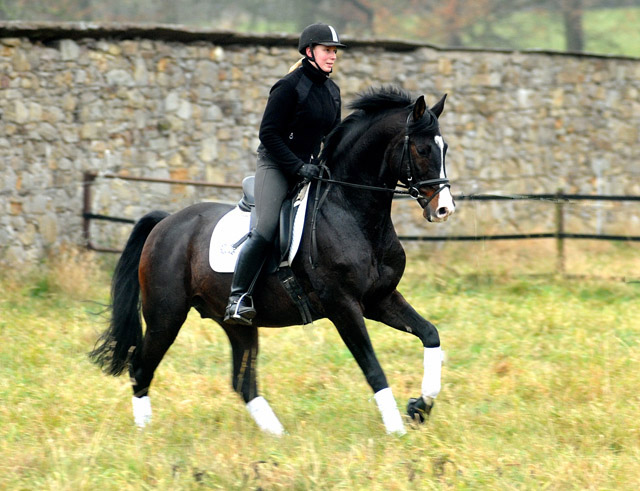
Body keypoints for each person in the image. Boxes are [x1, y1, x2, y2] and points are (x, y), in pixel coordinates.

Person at [224, 23, 346, 325]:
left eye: (334, 51)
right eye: (327, 50)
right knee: (265, 229)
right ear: (309, 51)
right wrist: (296, 166)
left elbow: (333, 137)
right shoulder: (289, 86)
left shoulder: (332, 91)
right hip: (276, 165)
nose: (332, 56)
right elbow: (268, 134)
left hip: (309, 168)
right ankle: (238, 298)